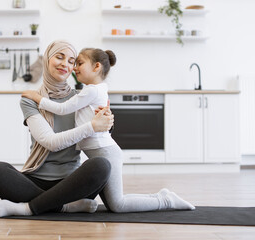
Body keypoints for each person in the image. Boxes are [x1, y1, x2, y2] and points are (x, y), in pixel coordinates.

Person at [22, 48, 195, 213]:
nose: (74, 67)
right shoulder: (93, 90)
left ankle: (165, 200)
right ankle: (162, 197)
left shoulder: (89, 91)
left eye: (78, 62)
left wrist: (38, 98)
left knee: (118, 204)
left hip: (105, 153)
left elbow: (63, 109)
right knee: (115, 202)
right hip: (101, 153)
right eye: (64, 59)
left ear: (96, 67)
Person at [0, 40, 114, 217]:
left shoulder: (80, 97)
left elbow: (101, 133)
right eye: (59, 57)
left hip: (72, 182)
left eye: (71, 61)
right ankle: (64, 206)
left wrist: (107, 122)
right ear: (47, 60)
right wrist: (92, 126)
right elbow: (50, 143)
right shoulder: (31, 99)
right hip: (35, 180)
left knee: (101, 165)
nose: (65, 64)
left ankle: (30, 207)